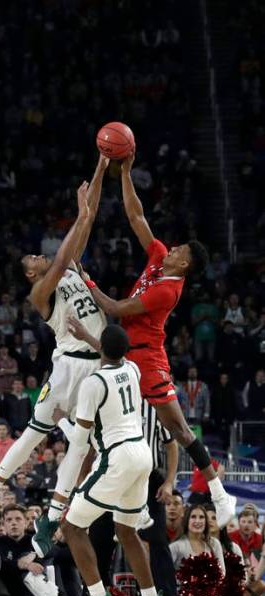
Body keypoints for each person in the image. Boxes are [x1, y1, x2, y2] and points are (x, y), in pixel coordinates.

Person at [76, 150, 236, 528]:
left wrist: (86, 280)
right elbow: (136, 216)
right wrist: (126, 172)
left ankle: (218, 494)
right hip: (123, 356)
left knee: (179, 430)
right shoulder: (160, 256)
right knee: (99, 421)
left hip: (147, 360)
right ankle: (125, 503)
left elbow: (116, 308)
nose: (174, 247)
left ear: (184, 265)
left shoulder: (169, 291)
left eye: (180, 250)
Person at [0, 161, 108, 551]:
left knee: (81, 446)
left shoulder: (72, 269)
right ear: (30, 275)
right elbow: (71, 239)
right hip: (66, 367)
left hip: (96, 367)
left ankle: (49, 519)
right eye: (30, 259)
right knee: (32, 434)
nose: (36, 255)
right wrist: (80, 216)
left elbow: (89, 219)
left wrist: (100, 166)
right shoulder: (40, 293)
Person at [60, 325, 171, 596]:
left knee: (71, 527)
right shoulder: (133, 369)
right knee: (126, 531)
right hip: (142, 455)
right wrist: (88, 337)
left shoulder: (92, 383)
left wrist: (61, 421)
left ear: (101, 350)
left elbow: (80, 440)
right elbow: (111, 352)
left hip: (117, 457)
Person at [170, 504, 244, 596]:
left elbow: (221, 573)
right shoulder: (176, 546)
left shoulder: (214, 543)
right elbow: (166, 576)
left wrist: (208, 586)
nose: (197, 521)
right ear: (186, 521)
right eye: (193, 517)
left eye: (201, 517)